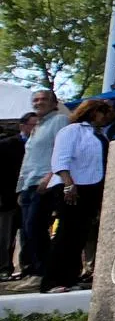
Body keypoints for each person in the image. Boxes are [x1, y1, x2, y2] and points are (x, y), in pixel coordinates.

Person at [40, 99, 115, 293]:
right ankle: (51, 281)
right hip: (72, 186)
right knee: (66, 233)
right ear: (93, 112)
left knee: (79, 236)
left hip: (92, 187)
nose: (107, 117)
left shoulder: (100, 135)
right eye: (104, 112)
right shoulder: (72, 130)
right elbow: (60, 158)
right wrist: (68, 183)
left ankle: (69, 278)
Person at [16, 90, 69, 278]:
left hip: (45, 182)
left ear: (54, 102)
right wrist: (20, 188)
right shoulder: (37, 125)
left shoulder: (60, 120)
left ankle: (44, 275)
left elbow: (61, 150)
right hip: (28, 184)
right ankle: (35, 273)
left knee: (36, 227)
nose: (39, 102)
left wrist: (50, 176)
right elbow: (28, 158)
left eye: (43, 99)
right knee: (29, 231)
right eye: (35, 100)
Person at [0, 112, 35, 280]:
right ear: (23, 126)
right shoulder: (7, 145)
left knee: (28, 234)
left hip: (31, 195)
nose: (35, 129)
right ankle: (4, 268)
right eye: (32, 125)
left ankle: (27, 267)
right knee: (5, 235)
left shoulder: (40, 145)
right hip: (8, 198)